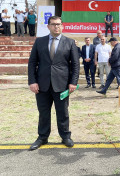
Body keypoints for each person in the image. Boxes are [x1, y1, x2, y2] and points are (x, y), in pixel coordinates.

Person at [28, 16, 80, 150]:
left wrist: (73, 82)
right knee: (43, 113)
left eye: (59, 24)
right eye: (53, 24)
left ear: (62, 26)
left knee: (63, 112)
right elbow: (32, 62)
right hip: (42, 84)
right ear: (48, 26)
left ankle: (65, 136)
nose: (56, 27)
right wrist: (32, 81)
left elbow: (75, 65)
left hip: (62, 85)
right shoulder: (39, 42)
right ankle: (42, 137)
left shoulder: (69, 42)